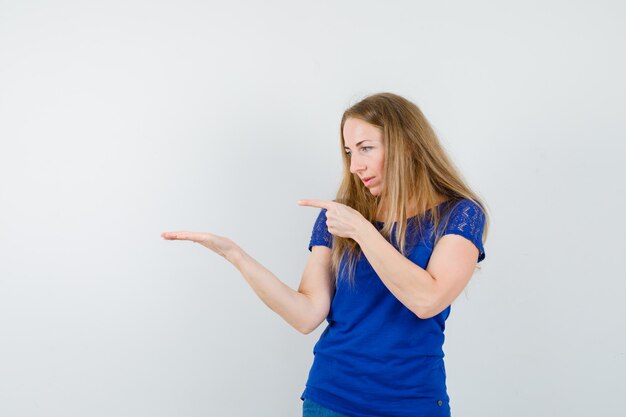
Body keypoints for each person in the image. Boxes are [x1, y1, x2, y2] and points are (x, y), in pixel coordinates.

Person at [161, 92, 489, 417]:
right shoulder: (339, 216)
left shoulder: (459, 214)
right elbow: (306, 315)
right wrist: (235, 255)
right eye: (349, 151)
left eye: (366, 148)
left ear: (407, 145)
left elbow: (427, 300)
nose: (355, 165)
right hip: (331, 400)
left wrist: (362, 230)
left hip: (412, 403)